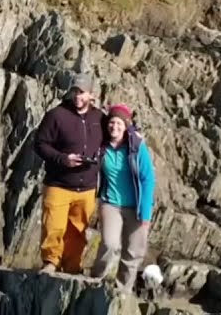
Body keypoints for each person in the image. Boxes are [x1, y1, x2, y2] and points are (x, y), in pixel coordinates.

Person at [34, 73, 104, 274]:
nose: (77, 96)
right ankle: (50, 262)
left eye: (81, 92)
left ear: (92, 95)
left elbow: (113, 139)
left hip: (87, 187)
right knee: (53, 227)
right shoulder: (56, 115)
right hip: (58, 184)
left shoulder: (99, 118)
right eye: (74, 91)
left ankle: (73, 267)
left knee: (77, 231)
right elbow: (39, 144)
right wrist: (63, 159)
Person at [90, 103, 155, 291]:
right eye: (111, 122)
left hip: (136, 207)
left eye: (119, 123)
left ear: (126, 126)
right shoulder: (101, 146)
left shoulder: (136, 147)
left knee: (133, 252)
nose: (114, 127)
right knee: (110, 244)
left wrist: (145, 214)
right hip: (110, 203)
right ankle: (95, 280)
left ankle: (122, 290)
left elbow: (148, 178)